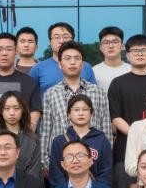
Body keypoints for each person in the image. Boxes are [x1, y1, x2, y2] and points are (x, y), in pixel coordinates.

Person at [38, 40, 112, 172]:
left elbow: (106, 128)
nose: (72, 62)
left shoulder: (98, 92)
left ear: (82, 64)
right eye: (67, 58)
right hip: (59, 163)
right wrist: (45, 163)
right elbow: (46, 130)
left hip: (93, 163)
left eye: (77, 58)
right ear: (60, 64)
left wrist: (105, 160)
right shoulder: (51, 93)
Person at [109, 35, 146, 188]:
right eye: (135, 51)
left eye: (143, 50)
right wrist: (137, 133)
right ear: (128, 55)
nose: (139, 54)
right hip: (125, 149)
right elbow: (115, 117)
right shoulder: (117, 83)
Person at [48, 94, 113, 188]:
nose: (81, 113)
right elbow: (56, 174)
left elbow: (106, 174)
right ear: (69, 114)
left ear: (91, 114)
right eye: (76, 110)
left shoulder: (102, 140)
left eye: (85, 109)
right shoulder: (59, 141)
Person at [0, 91, 42, 178]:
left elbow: (34, 172)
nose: (12, 113)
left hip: (25, 185)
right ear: (1, 111)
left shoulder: (33, 139)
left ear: (23, 110)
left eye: (16, 108)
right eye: (7, 108)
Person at [30, 22, 97, 94]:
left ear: (72, 40)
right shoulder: (38, 69)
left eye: (66, 37)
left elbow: (94, 94)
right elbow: (31, 97)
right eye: (56, 37)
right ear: (50, 42)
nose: (61, 41)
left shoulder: (85, 67)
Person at [93, 26, 129, 91]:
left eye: (115, 42)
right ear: (101, 47)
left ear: (122, 46)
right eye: (106, 43)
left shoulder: (131, 70)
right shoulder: (93, 71)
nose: (111, 46)